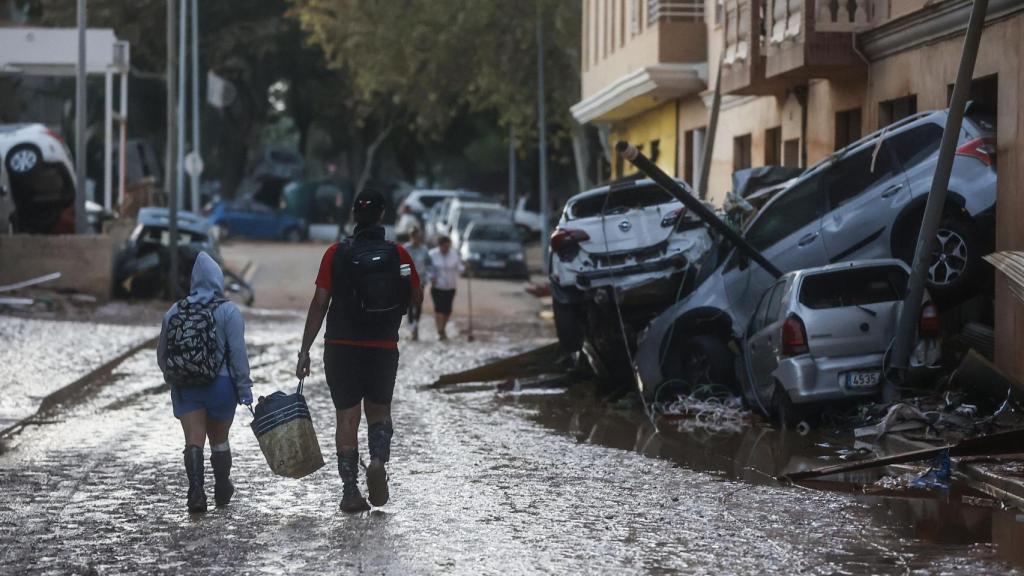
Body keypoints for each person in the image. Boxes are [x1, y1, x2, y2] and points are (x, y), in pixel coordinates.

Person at [297, 189, 423, 512]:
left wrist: (304, 351)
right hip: (382, 347)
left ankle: (351, 491)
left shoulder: (335, 253)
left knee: (346, 418)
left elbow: (319, 303)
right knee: (379, 413)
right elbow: (416, 298)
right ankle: (378, 460)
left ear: (354, 216)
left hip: (340, 347)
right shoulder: (399, 255)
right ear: (383, 216)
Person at [158, 252, 253, 513]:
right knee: (219, 439)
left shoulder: (175, 310)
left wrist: (175, 376)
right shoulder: (229, 312)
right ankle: (222, 485)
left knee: (194, 439)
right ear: (218, 280)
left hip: (187, 387)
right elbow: (238, 356)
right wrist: (244, 390)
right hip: (221, 387)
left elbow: (162, 354)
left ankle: (196, 491)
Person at [427, 235, 463, 341]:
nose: (446, 249)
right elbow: (428, 269)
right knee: (439, 309)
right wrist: (431, 277)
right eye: (444, 246)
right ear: (440, 246)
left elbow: (459, 267)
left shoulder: (454, 254)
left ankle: (442, 329)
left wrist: (466, 268)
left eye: (448, 246)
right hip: (437, 286)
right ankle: (440, 331)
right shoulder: (432, 254)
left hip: (451, 286)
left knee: (448, 310)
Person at [403, 226, 430, 341]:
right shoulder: (406, 248)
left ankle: (416, 325)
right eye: (414, 236)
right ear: (411, 237)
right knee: (409, 304)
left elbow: (428, 264)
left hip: (420, 280)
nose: (416, 239)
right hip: (408, 280)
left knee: (418, 304)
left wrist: (429, 277)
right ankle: (411, 327)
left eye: (418, 237)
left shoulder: (424, 250)